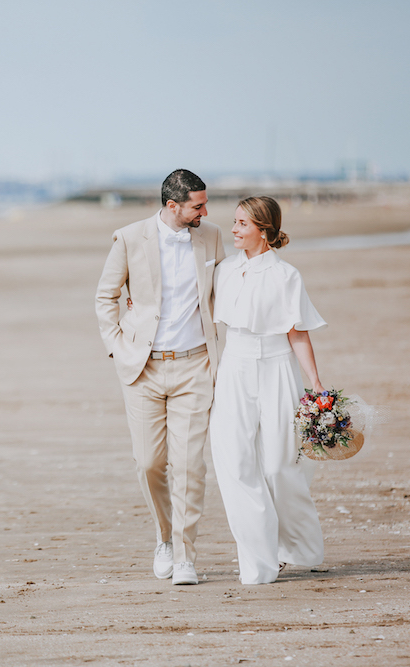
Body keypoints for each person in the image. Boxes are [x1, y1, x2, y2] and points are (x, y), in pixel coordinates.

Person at [95, 169, 227, 585]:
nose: (205, 211)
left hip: (195, 366)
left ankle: (186, 556)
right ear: (173, 206)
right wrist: (117, 346)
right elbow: (106, 296)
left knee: (189, 464)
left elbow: (223, 293)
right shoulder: (130, 238)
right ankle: (164, 537)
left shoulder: (212, 237)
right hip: (143, 367)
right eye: (198, 206)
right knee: (149, 463)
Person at [209, 196, 326, 585]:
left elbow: (298, 333)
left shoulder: (286, 276)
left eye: (242, 223)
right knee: (236, 462)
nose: (234, 229)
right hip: (235, 368)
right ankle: (258, 562)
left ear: (264, 229)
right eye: (235, 222)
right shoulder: (224, 270)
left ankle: (298, 548)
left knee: (279, 466)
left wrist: (316, 383)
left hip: (277, 368)